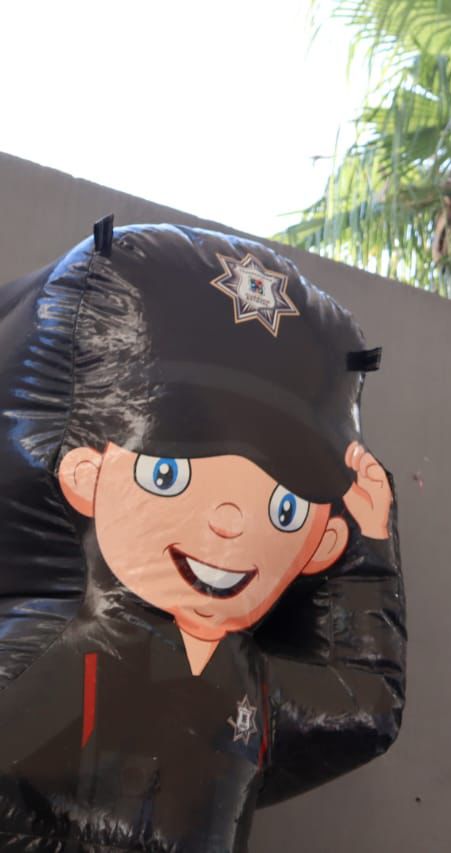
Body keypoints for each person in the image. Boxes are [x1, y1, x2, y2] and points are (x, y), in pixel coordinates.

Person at [0, 223, 406, 851]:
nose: (231, 524)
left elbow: (363, 706)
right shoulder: (62, 657)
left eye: (286, 510)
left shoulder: (243, 683)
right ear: (84, 474)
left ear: (322, 542)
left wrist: (370, 537)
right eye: (168, 475)